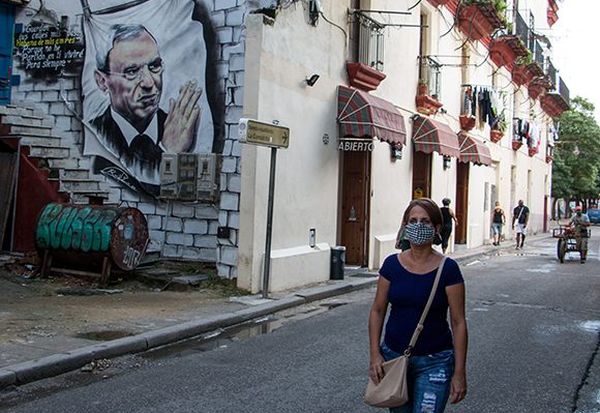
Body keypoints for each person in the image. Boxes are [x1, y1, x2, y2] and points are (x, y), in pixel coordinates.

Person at [369, 198, 468, 412]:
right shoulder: (391, 265)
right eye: (412, 221)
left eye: (425, 221)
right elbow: (377, 311)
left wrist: (459, 372)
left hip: (436, 361)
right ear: (405, 226)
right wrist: (375, 354)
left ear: (437, 228)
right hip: (394, 358)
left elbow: (459, 322)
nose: (418, 226)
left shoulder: (448, 269)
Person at [91, 24, 202, 195]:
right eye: (132, 71)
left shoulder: (182, 130)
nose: (149, 83)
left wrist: (173, 155)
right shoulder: (95, 134)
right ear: (102, 81)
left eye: (154, 66)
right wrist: (168, 153)